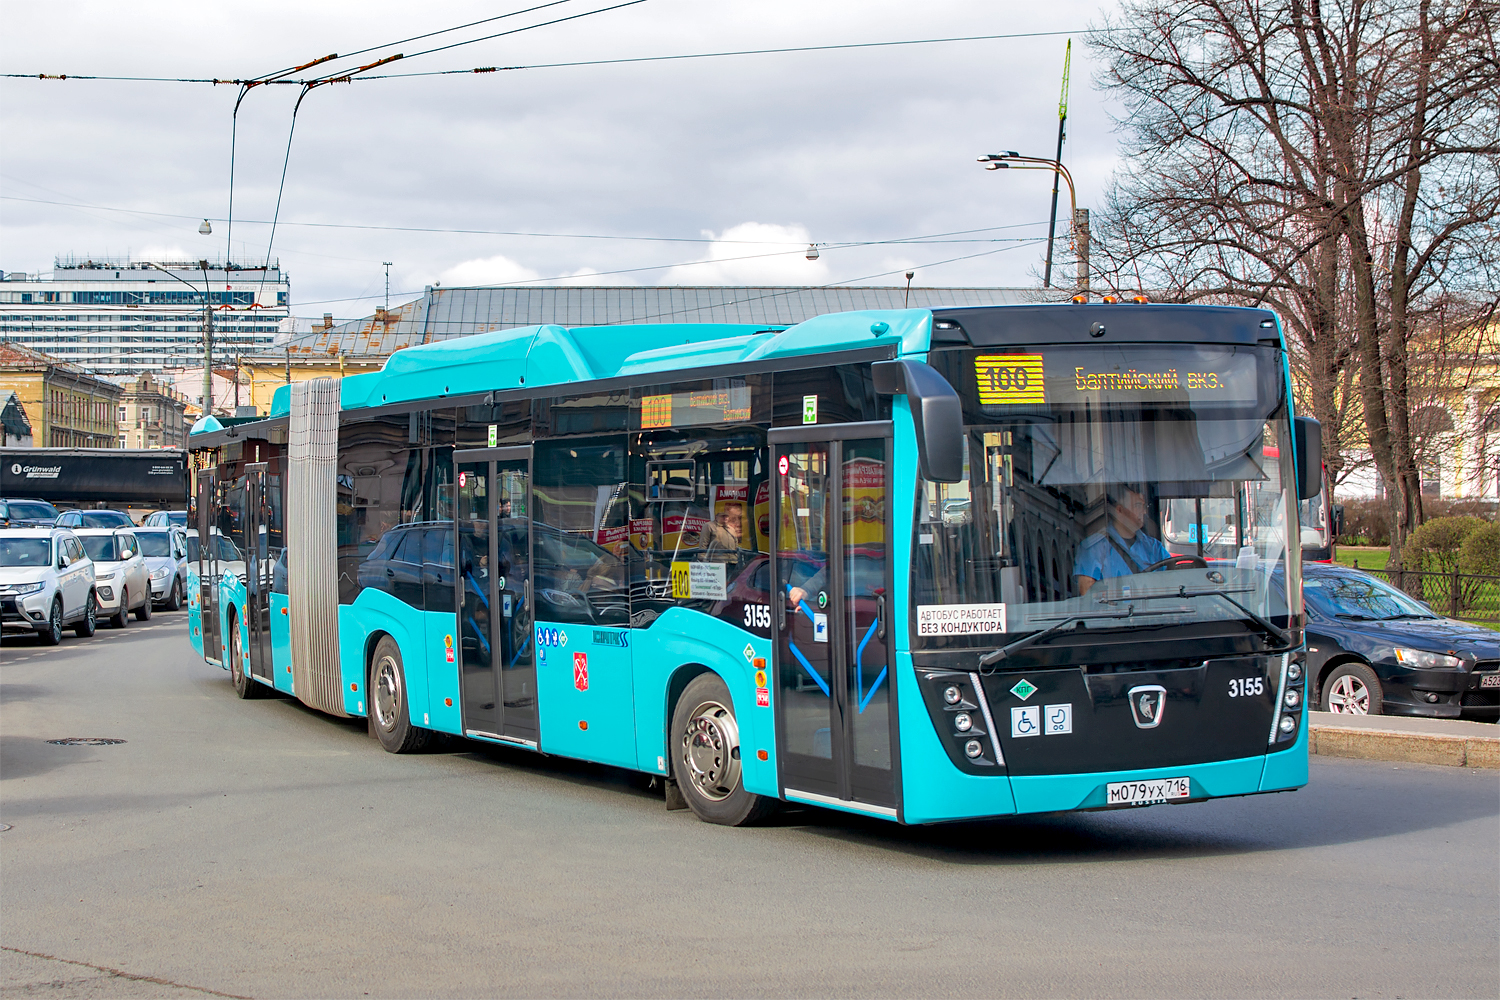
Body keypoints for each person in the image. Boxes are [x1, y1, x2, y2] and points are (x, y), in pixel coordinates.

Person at [1072, 484, 1171, 596]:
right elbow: (1088, 594)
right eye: (1138, 505)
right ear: (1119, 510)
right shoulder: (1093, 549)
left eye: (1144, 506)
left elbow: (1172, 579)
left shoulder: (1154, 548)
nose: (1143, 512)